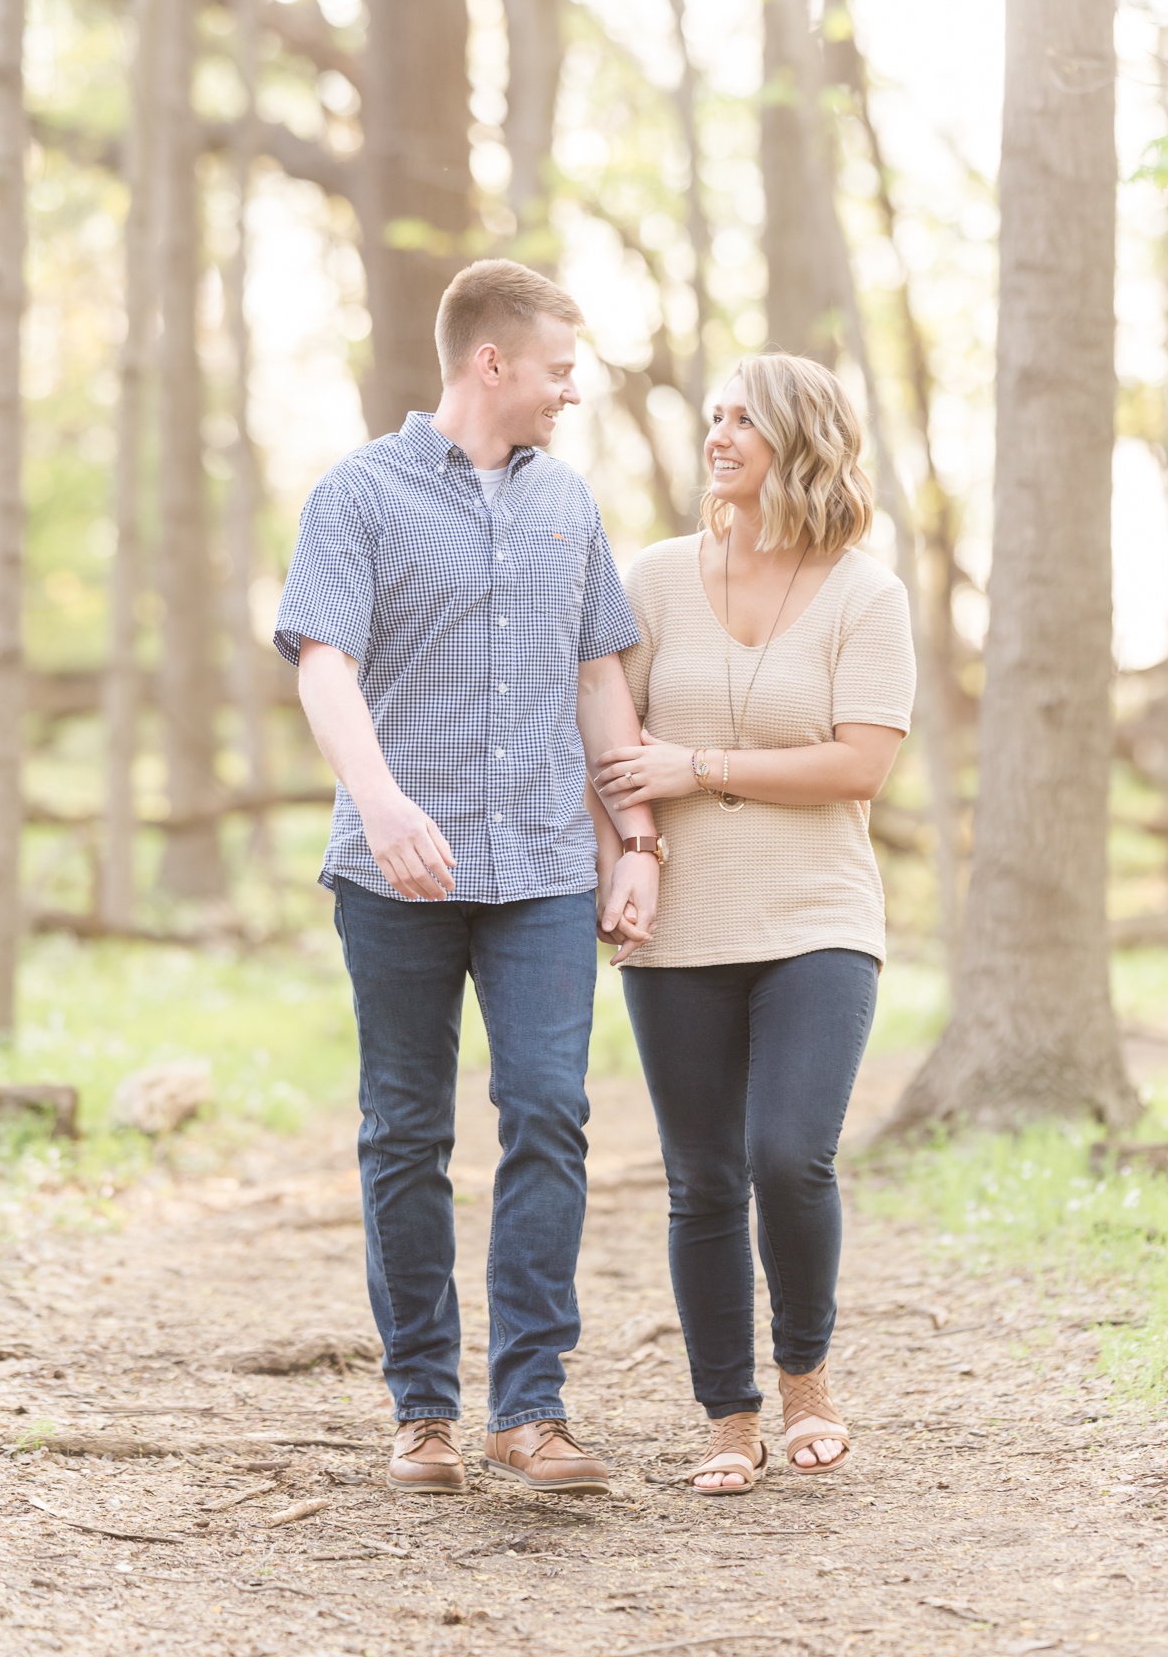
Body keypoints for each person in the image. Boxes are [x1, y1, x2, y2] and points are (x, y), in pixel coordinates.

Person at [274, 260, 666, 1497]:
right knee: (404, 1132)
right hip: (397, 875)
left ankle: (531, 1410)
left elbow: (599, 675)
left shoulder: (569, 503)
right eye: (557, 367)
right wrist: (380, 801)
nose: (571, 389)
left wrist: (634, 842)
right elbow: (323, 665)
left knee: (549, 1112)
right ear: (489, 361)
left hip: (543, 867)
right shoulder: (361, 493)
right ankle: (423, 1411)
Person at [590, 352, 915, 1496]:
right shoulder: (655, 577)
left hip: (816, 914)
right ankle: (726, 1413)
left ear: (802, 439)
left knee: (789, 1152)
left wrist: (701, 764)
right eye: (713, 416)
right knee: (702, 1176)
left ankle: (807, 1379)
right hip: (678, 922)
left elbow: (858, 764)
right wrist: (624, 853)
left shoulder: (862, 592)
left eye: (743, 420)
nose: (717, 435)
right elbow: (605, 731)